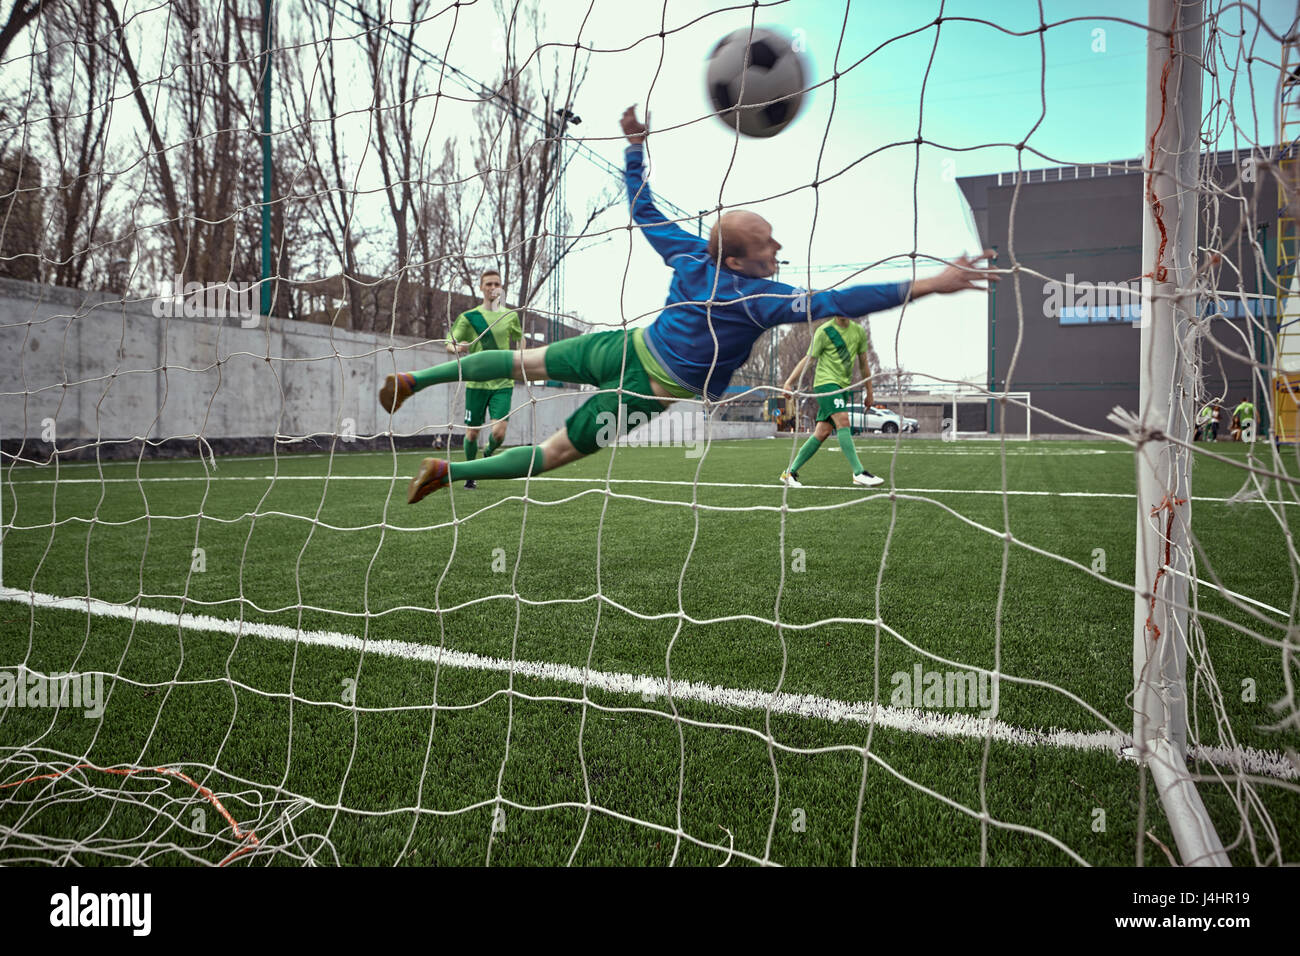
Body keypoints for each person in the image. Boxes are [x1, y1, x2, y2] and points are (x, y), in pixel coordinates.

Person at [379, 106, 998, 503]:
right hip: (647, 390)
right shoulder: (759, 298)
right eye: (767, 244)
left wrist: (633, 148)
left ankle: (416, 382)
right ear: (738, 259)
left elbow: (644, 209)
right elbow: (838, 297)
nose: (777, 248)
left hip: (620, 345)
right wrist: (926, 284)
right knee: (552, 454)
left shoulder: (690, 255)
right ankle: (446, 470)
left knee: (523, 361)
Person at [779, 316, 881, 487]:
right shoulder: (824, 331)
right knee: (843, 420)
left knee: (823, 432)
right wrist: (789, 382)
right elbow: (808, 359)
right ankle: (859, 472)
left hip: (842, 388)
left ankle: (789, 472)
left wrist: (869, 392)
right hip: (825, 384)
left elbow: (864, 365)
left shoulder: (858, 332)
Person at [445, 269, 522, 489]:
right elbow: (449, 342)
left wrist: (522, 360)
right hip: (476, 384)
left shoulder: (510, 316)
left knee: (499, 432)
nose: (492, 287)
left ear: (501, 288)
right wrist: (456, 348)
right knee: (472, 434)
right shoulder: (469, 318)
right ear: (481, 287)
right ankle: (470, 473)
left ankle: (487, 453)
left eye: (496, 284)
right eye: (488, 284)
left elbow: (520, 339)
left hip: (503, 383)